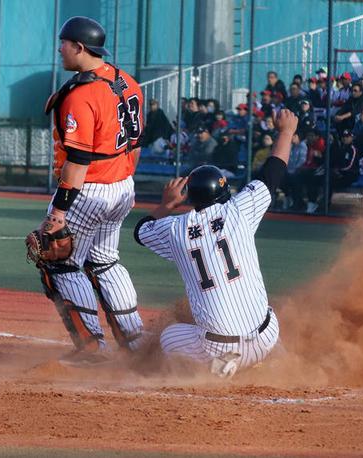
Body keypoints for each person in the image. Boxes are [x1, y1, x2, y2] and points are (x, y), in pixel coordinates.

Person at [134, 109, 298, 378]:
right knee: (264, 312)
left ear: (191, 198)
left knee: (168, 337)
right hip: (266, 337)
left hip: (217, 348)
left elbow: (142, 231)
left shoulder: (177, 229)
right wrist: (286, 132)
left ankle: (219, 371)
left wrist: (167, 204)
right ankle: (277, 358)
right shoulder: (240, 210)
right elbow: (273, 171)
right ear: (224, 192)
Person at [33, 16, 146, 365]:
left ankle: (92, 347)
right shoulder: (128, 82)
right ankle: (134, 340)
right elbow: (136, 144)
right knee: (105, 261)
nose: (59, 48)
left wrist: (58, 213)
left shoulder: (81, 95)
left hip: (89, 188)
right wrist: (122, 178)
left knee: (59, 262)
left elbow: (78, 159)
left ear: (80, 48)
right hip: (122, 186)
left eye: (64, 43)